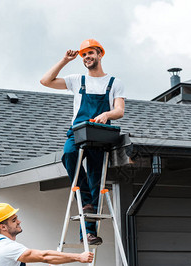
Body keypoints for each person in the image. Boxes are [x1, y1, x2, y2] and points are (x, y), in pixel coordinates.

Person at [40, 39, 125, 245]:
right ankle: (85, 200)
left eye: (91, 54)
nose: (87, 58)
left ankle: (88, 233)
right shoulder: (77, 80)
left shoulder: (114, 82)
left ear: (100, 54)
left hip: (100, 135)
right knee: (68, 154)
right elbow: (45, 81)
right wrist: (65, 60)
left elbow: (119, 111)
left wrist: (107, 114)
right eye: (84, 55)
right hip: (78, 132)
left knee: (97, 181)